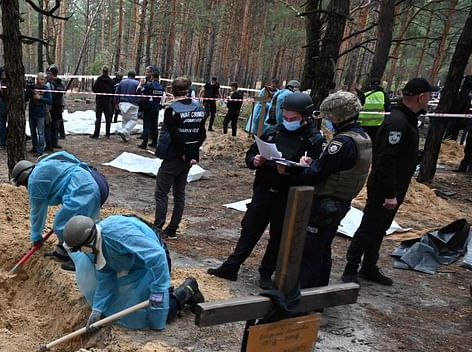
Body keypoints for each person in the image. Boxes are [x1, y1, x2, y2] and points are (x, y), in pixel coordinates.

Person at [209, 92, 325, 288]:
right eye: (286, 117)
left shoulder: (314, 141)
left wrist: (295, 170)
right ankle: (231, 266)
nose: (288, 122)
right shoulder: (273, 132)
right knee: (249, 230)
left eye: (293, 119)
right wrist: (254, 160)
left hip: (288, 197)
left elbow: (316, 175)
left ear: (304, 117)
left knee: (278, 237)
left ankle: (266, 272)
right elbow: (252, 152)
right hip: (263, 192)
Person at [341, 77, 438, 286]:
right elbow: (386, 160)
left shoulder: (406, 119)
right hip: (385, 187)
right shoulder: (398, 122)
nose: (429, 100)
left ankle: (368, 266)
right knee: (369, 227)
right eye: (428, 96)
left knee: (380, 228)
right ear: (421, 97)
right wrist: (389, 193)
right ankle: (351, 267)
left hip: (395, 185)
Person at [63, 215, 204, 331]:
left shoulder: (117, 234)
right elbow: (106, 278)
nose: (81, 252)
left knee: (154, 314)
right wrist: (97, 310)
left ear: (87, 242)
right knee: (124, 306)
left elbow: (156, 256)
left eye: (80, 249)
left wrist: (159, 290)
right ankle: (165, 295)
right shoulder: (95, 248)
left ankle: (186, 291)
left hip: (155, 262)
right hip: (136, 266)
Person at [292, 92, 372, 288]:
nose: (326, 121)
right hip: (340, 202)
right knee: (322, 249)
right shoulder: (362, 137)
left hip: (325, 204)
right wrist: (317, 162)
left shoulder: (342, 143)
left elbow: (318, 173)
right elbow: (333, 166)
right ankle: (319, 294)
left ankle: (305, 298)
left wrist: (302, 168)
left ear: (338, 116)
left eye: (328, 117)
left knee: (310, 252)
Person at [10, 151, 109, 269]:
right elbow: (66, 155)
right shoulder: (46, 163)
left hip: (85, 188)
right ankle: (62, 252)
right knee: (81, 222)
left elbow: (37, 212)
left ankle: (81, 259)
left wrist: (36, 237)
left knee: (62, 225)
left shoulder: (34, 180)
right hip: (94, 179)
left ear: (23, 179)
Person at [153, 77, 206, 240]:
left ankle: (157, 228)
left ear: (172, 91)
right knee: (179, 194)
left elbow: (175, 136)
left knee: (161, 193)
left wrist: (183, 152)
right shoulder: (199, 108)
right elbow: (202, 134)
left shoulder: (171, 110)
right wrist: (191, 153)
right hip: (188, 159)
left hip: (173, 157)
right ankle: (173, 229)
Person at [138, 65, 165, 149]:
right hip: (156, 108)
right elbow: (162, 98)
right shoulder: (161, 87)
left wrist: (141, 85)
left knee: (146, 125)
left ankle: (144, 143)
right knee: (154, 126)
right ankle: (154, 143)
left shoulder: (149, 85)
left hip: (148, 108)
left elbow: (140, 91)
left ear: (152, 76)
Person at [27, 72, 53, 156]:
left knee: (41, 133)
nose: (43, 81)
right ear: (37, 79)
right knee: (33, 132)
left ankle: (40, 150)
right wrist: (28, 90)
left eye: (44, 79)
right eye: (41, 79)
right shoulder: (32, 87)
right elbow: (26, 98)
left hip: (41, 114)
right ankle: (34, 147)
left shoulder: (46, 88)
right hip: (32, 113)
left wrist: (40, 98)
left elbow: (49, 101)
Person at [115, 70, 140, 142]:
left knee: (125, 120)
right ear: (134, 76)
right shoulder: (136, 83)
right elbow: (139, 93)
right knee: (133, 120)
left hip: (122, 103)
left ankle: (125, 136)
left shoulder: (122, 82)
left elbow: (117, 93)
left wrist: (116, 103)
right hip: (132, 103)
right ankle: (124, 131)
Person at [90, 65, 114, 139]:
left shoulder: (99, 79)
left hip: (100, 101)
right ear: (108, 72)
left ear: (102, 71)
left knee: (98, 118)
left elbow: (94, 89)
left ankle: (96, 134)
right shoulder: (111, 81)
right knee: (108, 119)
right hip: (107, 101)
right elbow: (113, 91)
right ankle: (107, 134)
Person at [46, 65, 64, 150]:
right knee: (49, 126)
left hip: (57, 108)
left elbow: (61, 95)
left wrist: (62, 105)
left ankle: (54, 142)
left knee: (55, 126)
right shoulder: (47, 83)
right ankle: (49, 144)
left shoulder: (59, 83)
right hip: (51, 108)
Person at [0, 66, 8, 148]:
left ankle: (3, 141)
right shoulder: (4, 74)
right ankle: (3, 141)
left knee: (4, 122)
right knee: (3, 122)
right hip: (5, 99)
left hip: (5, 99)